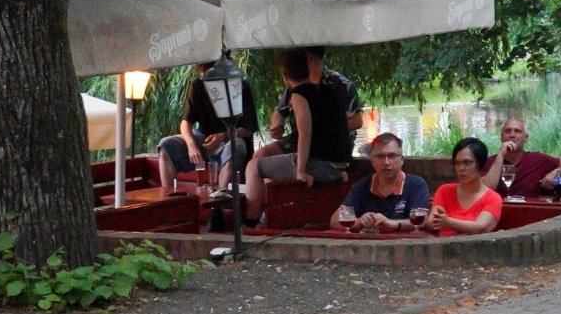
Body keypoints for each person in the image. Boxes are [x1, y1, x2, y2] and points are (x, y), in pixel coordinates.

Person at [243, 49, 360, 223]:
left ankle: (251, 223)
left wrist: (300, 170)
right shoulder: (328, 90)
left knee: (253, 166)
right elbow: (337, 127)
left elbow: (305, 134)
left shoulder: (300, 94)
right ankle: (270, 211)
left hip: (321, 165)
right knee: (265, 158)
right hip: (339, 165)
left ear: (285, 76)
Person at [156, 63, 259, 194]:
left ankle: (219, 198)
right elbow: (186, 122)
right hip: (204, 139)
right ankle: (169, 198)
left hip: (231, 139)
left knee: (235, 147)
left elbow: (248, 128)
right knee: (166, 145)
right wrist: (191, 145)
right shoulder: (198, 85)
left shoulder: (240, 87)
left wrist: (223, 136)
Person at [332, 132, 431, 231]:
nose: (386, 162)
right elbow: (335, 221)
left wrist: (395, 224)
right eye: (380, 156)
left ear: (402, 160)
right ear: (372, 162)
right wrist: (359, 222)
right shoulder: (361, 187)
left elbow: (423, 221)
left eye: (392, 156)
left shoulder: (416, 184)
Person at [430, 137, 503, 236]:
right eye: (457, 163)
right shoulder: (444, 191)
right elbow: (432, 222)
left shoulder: (493, 198)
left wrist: (449, 222)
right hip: (443, 244)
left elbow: (481, 227)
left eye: (467, 163)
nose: (461, 168)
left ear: (480, 163)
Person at [490, 118, 561, 197]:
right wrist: (500, 155)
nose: (512, 135)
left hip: (530, 204)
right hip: (499, 205)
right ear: (501, 137)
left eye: (517, 131)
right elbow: (486, 190)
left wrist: (555, 173)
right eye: (508, 131)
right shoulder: (490, 162)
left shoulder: (537, 160)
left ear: (526, 138)